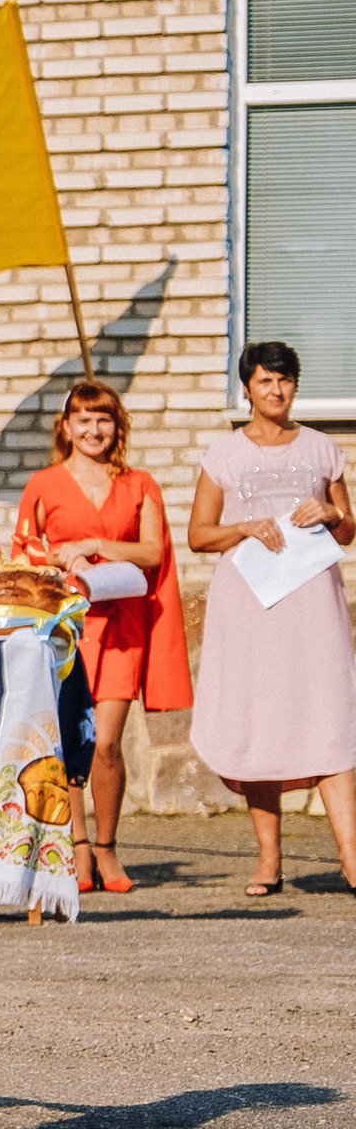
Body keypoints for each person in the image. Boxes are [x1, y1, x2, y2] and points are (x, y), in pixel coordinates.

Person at [187, 341, 356, 896]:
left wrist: (332, 512)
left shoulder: (323, 449)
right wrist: (245, 527)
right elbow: (197, 535)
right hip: (250, 602)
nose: (276, 391)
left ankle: (352, 857)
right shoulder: (224, 454)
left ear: (295, 386)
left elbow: (348, 528)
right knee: (259, 719)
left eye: (284, 381)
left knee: (329, 715)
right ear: (247, 388)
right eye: (264, 381)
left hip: (313, 603)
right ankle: (268, 861)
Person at [11, 379, 192, 893]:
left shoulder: (141, 484)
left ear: (117, 426)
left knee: (107, 743)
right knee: (73, 741)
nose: (93, 430)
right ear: (65, 426)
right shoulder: (43, 483)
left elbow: (154, 551)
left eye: (103, 419)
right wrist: (57, 556)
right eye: (82, 419)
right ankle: (78, 848)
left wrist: (96, 544)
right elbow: (23, 549)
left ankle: (109, 848)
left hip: (122, 626)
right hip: (64, 627)